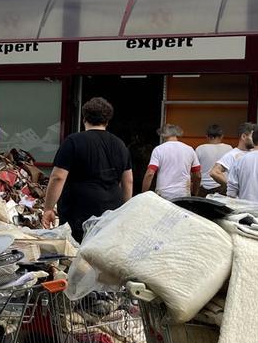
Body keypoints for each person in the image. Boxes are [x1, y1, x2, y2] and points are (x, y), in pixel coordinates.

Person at [41, 97, 133, 242]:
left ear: (84, 118)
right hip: (111, 212)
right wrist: (125, 210)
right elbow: (128, 181)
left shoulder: (72, 142)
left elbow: (58, 177)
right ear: (107, 121)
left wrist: (48, 208)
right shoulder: (120, 145)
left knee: (78, 255)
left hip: (78, 213)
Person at [141, 124, 200, 200]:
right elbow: (198, 176)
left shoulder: (159, 149)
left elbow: (150, 173)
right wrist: (194, 194)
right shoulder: (189, 149)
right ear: (177, 134)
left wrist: (143, 194)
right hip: (183, 195)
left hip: (163, 196)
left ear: (163, 135)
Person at [209, 122, 257, 191]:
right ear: (243, 136)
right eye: (253, 137)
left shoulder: (257, 152)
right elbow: (214, 172)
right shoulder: (232, 155)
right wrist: (233, 187)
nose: (255, 140)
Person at [194, 124, 226, 197]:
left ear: (207, 136)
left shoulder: (200, 149)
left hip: (203, 188)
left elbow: (195, 171)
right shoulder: (229, 148)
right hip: (222, 187)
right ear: (222, 136)